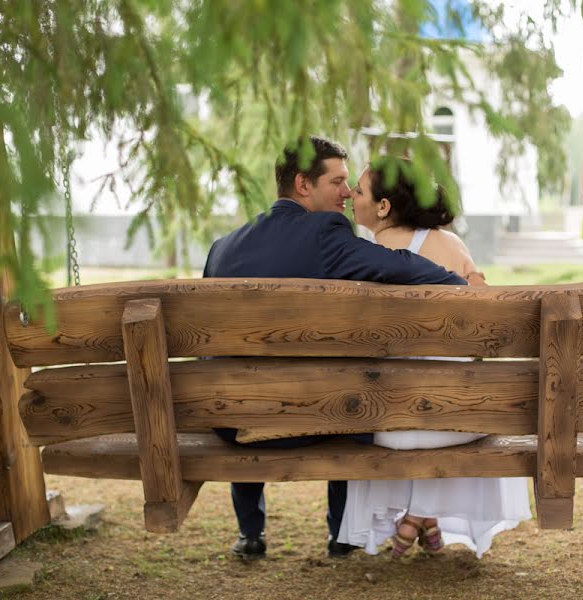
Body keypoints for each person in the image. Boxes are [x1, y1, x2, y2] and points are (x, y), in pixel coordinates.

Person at [202, 137, 467, 561]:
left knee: (242, 378)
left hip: (231, 421)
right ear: (304, 185)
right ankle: (341, 534)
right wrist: (460, 283)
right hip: (312, 416)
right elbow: (397, 264)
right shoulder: (324, 233)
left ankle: (251, 533)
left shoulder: (223, 247)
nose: (347, 192)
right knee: (346, 391)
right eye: (338, 181)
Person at [338, 157, 531, 558]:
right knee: (443, 392)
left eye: (358, 190)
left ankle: (419, 515)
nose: (350, 197)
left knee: (398, 394)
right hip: (458, 419)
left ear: (383, 207)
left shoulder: (361, 256)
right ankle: (422, 516)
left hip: (387, 425)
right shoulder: (450, 246)